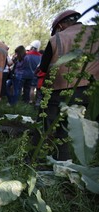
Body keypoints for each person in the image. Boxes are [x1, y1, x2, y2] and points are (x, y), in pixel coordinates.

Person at [33, 10, 99, 161]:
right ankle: (72, 164)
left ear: (61, 25)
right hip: (90, 92)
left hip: (59, 90)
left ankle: (36, 161)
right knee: (74, 131)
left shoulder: (58, 38)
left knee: (47, 126)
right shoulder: (95, 32)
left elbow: (44, 67)